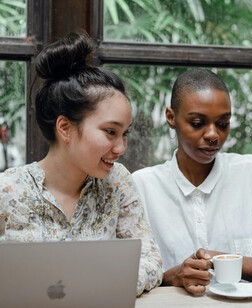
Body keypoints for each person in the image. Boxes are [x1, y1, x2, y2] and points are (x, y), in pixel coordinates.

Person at [0, 32, 162, 296]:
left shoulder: (117, 181)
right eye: (110, 132)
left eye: (125, 134)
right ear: (65, 127)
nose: (121, 148)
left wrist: (96, 288)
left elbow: (151, 261)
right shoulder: (8, 190)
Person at [132, 68, 252, 294]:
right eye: (197, 123)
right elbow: (125, 275)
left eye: (223, 124)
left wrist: (218, 258)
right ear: (171, 117)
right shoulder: (142, 186)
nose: (213, 135)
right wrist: (171, 276)